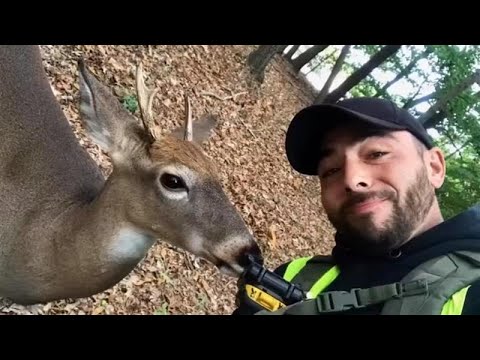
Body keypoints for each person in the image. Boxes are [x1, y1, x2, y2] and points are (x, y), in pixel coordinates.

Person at [233, 96, 480, 315]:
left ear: (434, 167)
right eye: (331, 170)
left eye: (376, 154)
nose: (351, 180)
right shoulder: (291, 277)